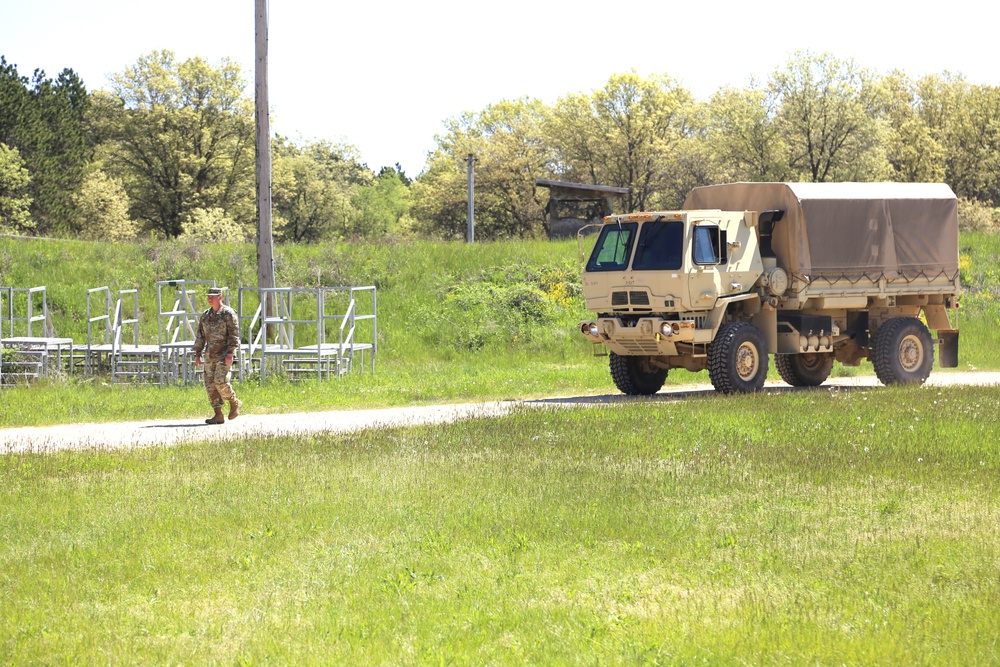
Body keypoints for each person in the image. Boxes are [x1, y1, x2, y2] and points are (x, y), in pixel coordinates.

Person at [193, 287, 242, 424]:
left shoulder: (228, 314)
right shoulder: (206, 316)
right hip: (210, 354)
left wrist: (231, 353)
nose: (210, 299)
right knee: (210, 384)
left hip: (224, 353)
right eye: (209, 296)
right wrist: (198, 353)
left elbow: (234, 335)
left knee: (220, 381)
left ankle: (234, 402)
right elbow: (201, 336)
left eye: (213, 296)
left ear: (220, 297)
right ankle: (218, 414)